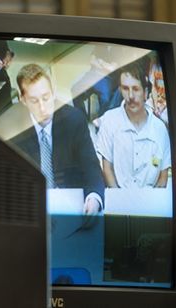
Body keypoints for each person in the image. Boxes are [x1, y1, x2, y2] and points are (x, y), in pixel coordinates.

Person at [10, 63, 105, 215]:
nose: (42, 108)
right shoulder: (12, 129)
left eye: (46, 98)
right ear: (23, 99)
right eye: (34, 101)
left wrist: (93, 198)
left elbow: (91, 167)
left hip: (72, 205)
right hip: (31, 208)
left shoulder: (74, 119)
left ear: (53, 92)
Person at [96, 62, 171, 188]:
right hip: (119, 201)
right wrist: (121, 202)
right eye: (125, 89)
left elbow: (163, 177)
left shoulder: (160, 129)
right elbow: (107, 169)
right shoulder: (109, 121)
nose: (130, 96)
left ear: (146, 92)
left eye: (135, 89)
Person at [71, 45, 122, 122]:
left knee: (105, 99)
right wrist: (105, 66)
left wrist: (100, 62)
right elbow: (91, 60)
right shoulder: (100, 46)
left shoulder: (117, 49)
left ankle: (101, 123)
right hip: (93, 74)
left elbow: (112, 68)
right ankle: (82, 119)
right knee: (75, 89)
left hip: (107, 78)